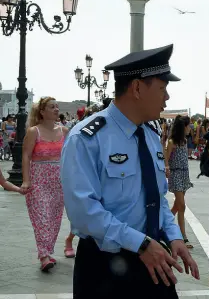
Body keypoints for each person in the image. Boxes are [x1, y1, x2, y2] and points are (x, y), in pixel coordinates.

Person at [61, 44, 199, 298]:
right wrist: (141, 244)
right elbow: (84, 214)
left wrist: (174, 236)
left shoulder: (149, 133)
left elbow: (156, 197)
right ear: (137, 88)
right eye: (162, 88)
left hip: (155, 257)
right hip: (106, 266)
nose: (166, 97)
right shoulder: (87, 138)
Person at [21, 97, 72, 271]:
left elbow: (71, 157)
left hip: (60, 181)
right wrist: (26, 180)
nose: (56, 109)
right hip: (39, 180)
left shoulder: (65, 131)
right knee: (42, 218)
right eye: (52, 107)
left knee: (54, 219)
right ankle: (43, 255)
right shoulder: (34, 131)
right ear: (42, 112)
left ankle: (48, 252)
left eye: (57, 106)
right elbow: (26, 156)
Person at [165, 115, 194, 249]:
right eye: (189, 126)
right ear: (183, 127)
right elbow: (166, 158)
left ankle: (164, 223)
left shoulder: (184, 140)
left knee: (177, 205)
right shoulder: (172, 141)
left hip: (184, 174)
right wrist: (167, 169)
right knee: (181, 205)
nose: (190, 128)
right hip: (175, 174)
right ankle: (183, 237)